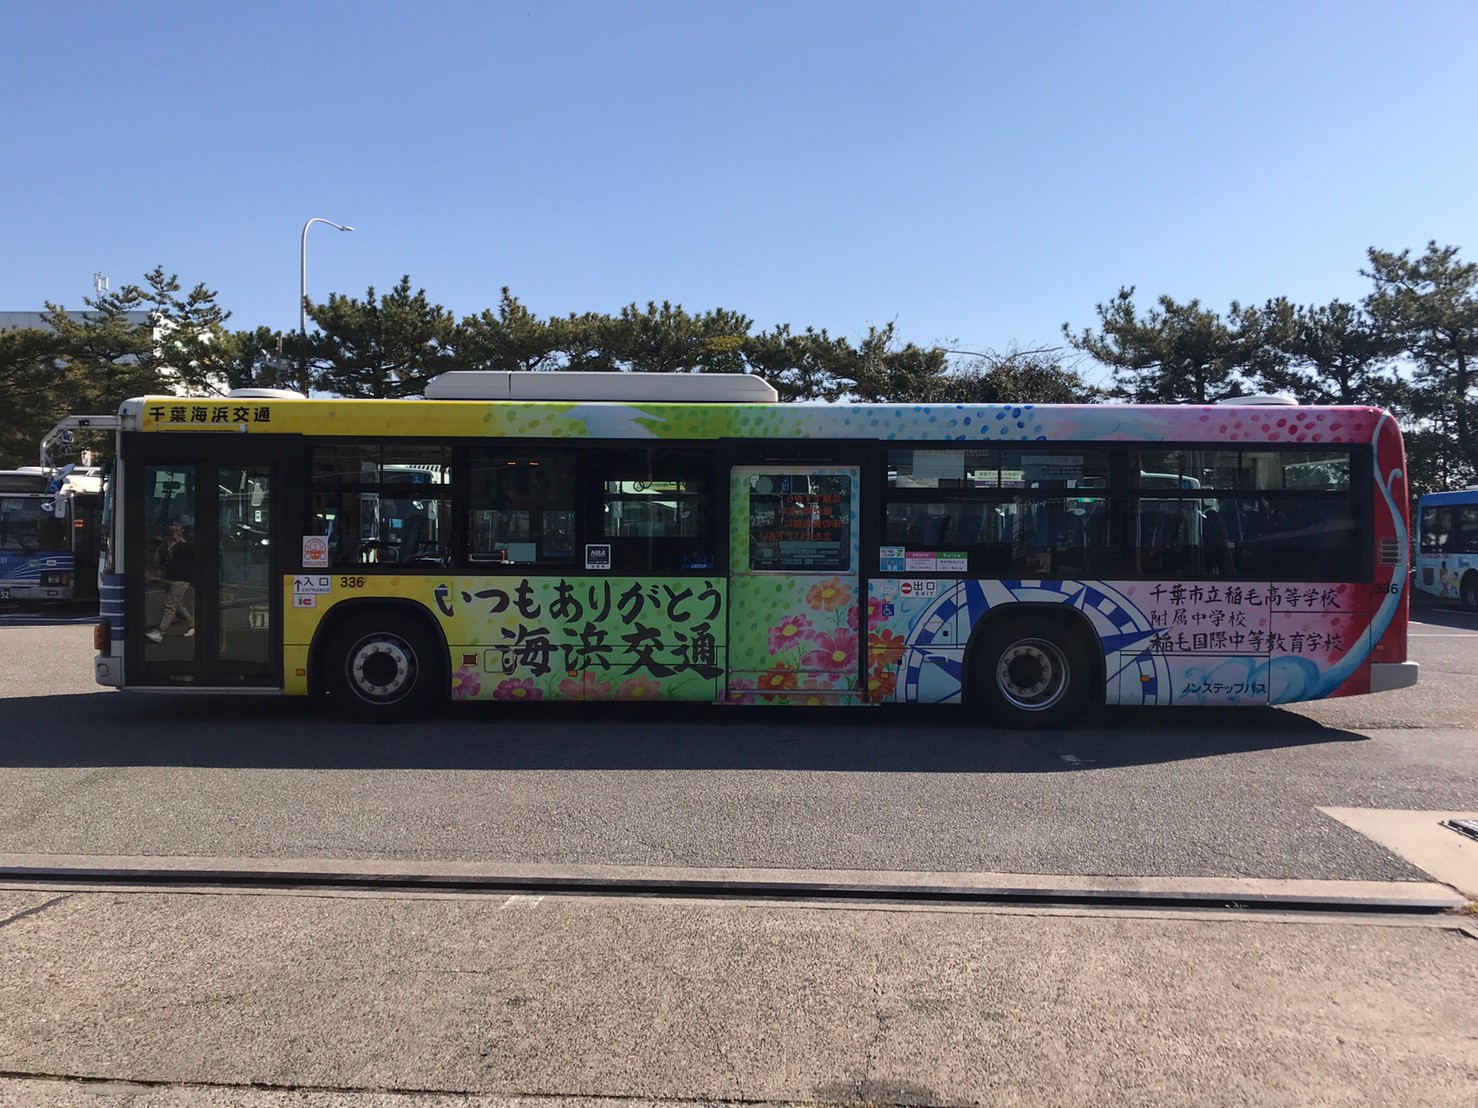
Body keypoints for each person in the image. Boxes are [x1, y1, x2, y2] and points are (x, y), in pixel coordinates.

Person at [146, 521, 196, 642]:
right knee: (177, 604)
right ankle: (193, 624)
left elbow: (189, 562)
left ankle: (160, 632)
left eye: (177, 526)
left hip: (181, 579)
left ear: (182, 530)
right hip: (170, 578)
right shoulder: (166, 545)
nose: (174, 528)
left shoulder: (187, 545)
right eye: (172, 526)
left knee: (169, 604)